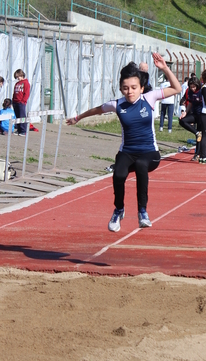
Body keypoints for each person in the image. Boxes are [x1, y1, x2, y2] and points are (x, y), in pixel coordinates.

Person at [67, 54, 180, 231]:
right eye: (126, 88)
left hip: (150, 153)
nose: (130, 92)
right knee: (118, 175)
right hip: (127, 152)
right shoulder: (117, 105)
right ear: (121, 89)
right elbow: (97, 110)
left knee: (142, 165)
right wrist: (78, 117)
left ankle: (142, 211)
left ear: (141, 88)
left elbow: (177, 88)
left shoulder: (149, 98)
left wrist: (165, 68)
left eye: (134, 87)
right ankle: (119, 209)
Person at [13, 69, 31, 136]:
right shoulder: (17, 84)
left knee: (22, 116)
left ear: (22, 75)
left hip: (21, 102)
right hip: (15, 102)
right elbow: (14, 93)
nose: (18, 78)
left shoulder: (26, 83)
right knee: (17, 116)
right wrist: (13, 100)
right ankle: (18, 129)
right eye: (16, 77)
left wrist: (23, 101)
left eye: (18, 77)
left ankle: (23, 130)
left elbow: (26, 93)